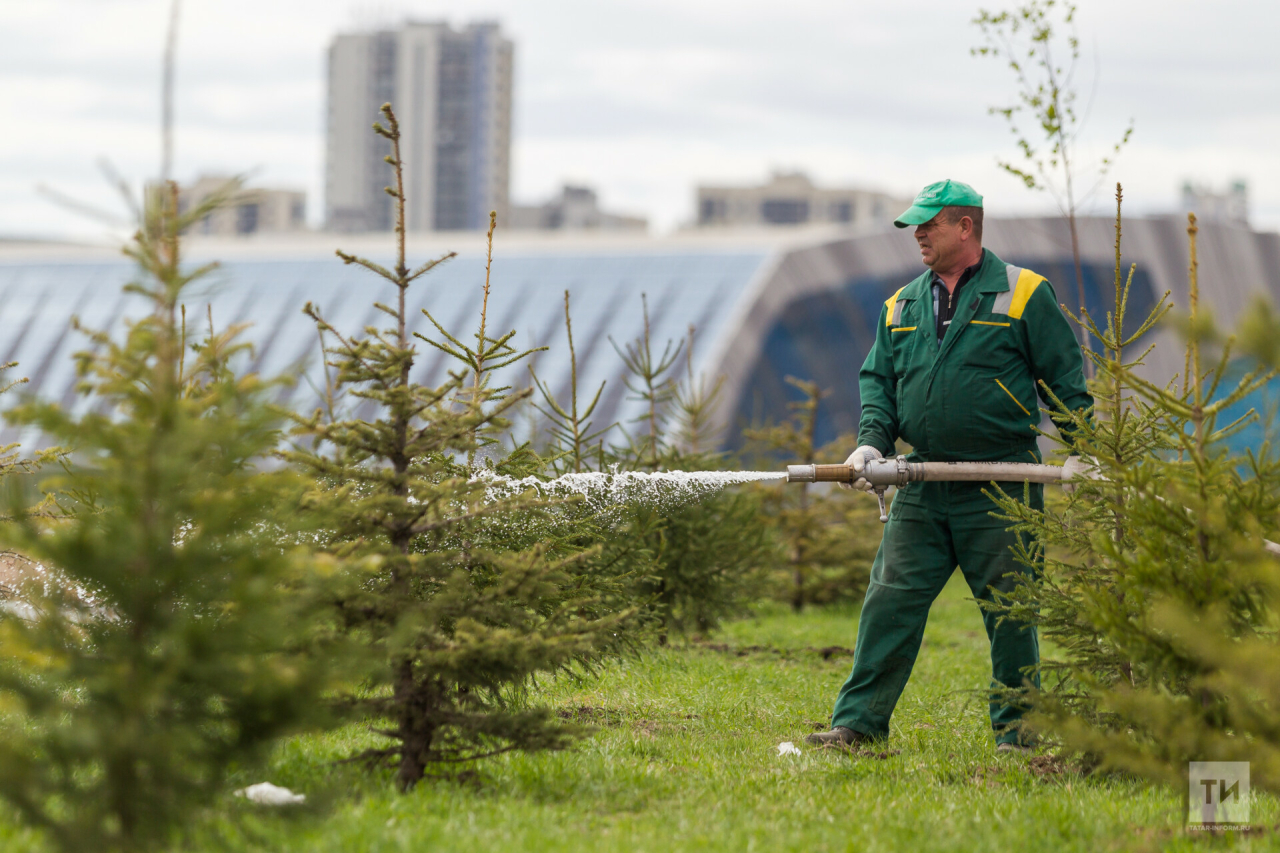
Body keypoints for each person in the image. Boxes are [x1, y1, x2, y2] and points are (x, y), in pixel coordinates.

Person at [804, 179, 1092, 753]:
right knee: (889, 599)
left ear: (965, 227)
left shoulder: (1025, 294)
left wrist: (1083, 449)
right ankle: (858, 725)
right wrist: (870, 444)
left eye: (929, 224)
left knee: (1012, 610)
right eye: (915, 225)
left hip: (1003, 482)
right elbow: (878, 383)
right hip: (923, 478)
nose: (918, 234)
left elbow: (1064, 380)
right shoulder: (902, 303)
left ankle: (1018, 733)